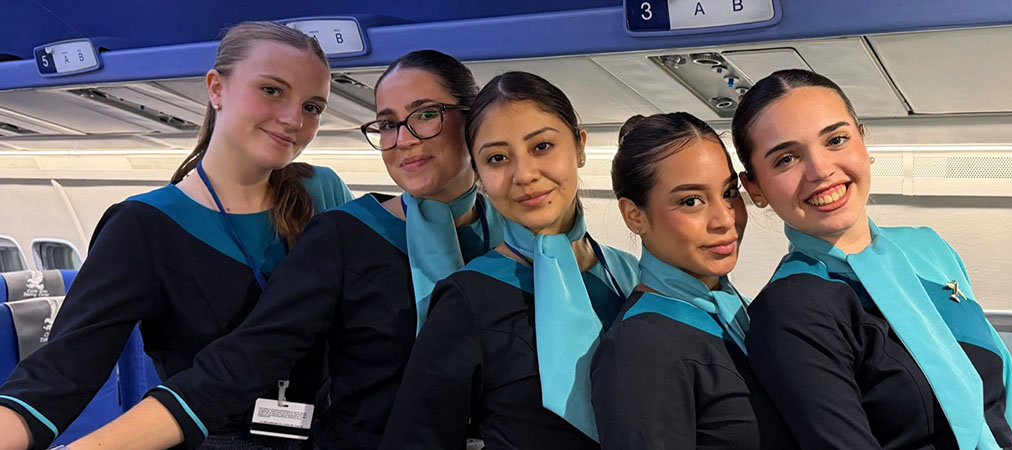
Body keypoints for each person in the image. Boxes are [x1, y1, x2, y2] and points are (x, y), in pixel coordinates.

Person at [56, 50, 502, 450]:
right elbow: (244, 359)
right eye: (387, 124)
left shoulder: (520, 236)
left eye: (426, 114)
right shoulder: (346, 234)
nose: (403, 139)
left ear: (473, 119)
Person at [0, 21, 353, 450]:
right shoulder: (143, 226)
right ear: (217, 88)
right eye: (272, 90)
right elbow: (58, 375)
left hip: (329, 433)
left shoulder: (322, 193)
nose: (294, 119)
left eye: (312, 107)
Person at [734, 69, 1012, 450]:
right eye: (787, 159)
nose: (820, 171)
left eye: (836, 140)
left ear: (862, 140)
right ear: (755, 188)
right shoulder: (790, 311)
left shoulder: (928, 248)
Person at [380, 71, 639, 450]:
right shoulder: (467, 299)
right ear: (479, 173)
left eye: (542, 146)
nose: (525, 175)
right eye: (497, 158)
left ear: (580, 147)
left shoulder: (630, 274)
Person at [590, 112, 795, 449]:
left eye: (729, 192)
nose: (724, 219)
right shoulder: (640, 348)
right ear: (634, 215)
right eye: (691, 201)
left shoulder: (741, 313)